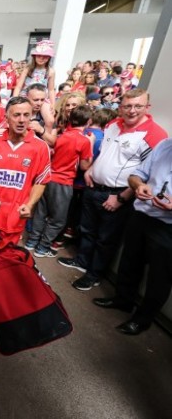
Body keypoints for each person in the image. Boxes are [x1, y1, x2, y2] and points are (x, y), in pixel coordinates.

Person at [58, 89, 168, 291]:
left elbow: (147, 174)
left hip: (116, 194)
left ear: (147, 107)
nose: (132, 111)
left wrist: (122, 198)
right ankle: (82, 262)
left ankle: (94, 275)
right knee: (87, 230)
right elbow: (105, 153)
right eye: (127, 106)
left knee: (106, 239)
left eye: (138, 106)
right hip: (94, 188)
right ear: (120, 107)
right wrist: (91, 168)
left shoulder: (155, 135)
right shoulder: (112, 124)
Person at [92, 138, 172, 335]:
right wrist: (138, 186)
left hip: (168, 226)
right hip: (142, 214)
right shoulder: (165, 145)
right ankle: (123, 300)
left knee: (160, 277)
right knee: (130, 262)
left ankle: (142, 320)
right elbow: (137, 175)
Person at [0, 97, 51, 246]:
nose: (21, 120)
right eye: (16, 115)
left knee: (6, 259)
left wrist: (30, 204)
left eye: (26, 115)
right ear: (6, 118)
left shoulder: (40, 147)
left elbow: (41, 180)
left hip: (15, 214)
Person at [25, 105, 93, 257]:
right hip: (63, 182)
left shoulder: (62, 136)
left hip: (48, 178)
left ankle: (32, 241)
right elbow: (84, 165)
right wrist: (92, 146)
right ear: (88, 121)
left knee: (41, 213)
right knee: (58, 219)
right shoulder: (84, 141)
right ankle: (43, 247)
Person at [14, 40, 56, 106]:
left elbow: (51, 90)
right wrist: (14, 99)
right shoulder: (27, 69)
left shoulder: (51, 71)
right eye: (38, 56)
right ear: (34, 56)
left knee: (47, 111)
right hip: (26, 96)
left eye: (45, 57)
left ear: (49, 58)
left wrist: (53, 105)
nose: (41, 58)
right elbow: (18, 86)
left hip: (41, 98)